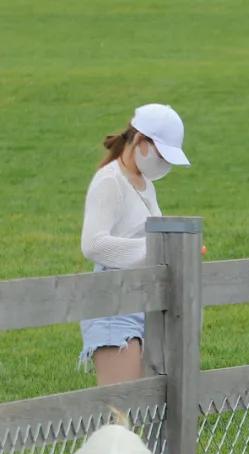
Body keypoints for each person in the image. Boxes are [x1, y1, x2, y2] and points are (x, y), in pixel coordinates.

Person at [78, 103, 190, 384]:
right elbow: (93, 244)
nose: (163, 164)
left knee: (147, 408)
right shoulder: (109, 181)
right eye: (161, 154)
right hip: (113, 302)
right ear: (140, 141)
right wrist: (158, 251)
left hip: (144, 299)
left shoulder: (144, 184)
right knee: (124, 410)